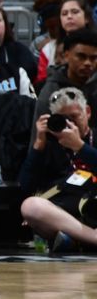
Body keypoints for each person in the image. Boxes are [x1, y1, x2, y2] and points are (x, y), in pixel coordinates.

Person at [20, 87, 97, 252]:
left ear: (88, 112)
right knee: (30, 206)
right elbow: (26, 186)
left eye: (74, 117)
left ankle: (75, 240)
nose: (70, 124)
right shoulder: (49, 146)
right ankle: (91, 239)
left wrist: (80, 147)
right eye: (63, 119)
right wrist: (38, 146)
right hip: (65, 214)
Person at [32, 30, 97, 143]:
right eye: (81, 56)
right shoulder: (50, 91)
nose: (88, 63)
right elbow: (38, 140)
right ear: (66, 55)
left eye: (93, 58)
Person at [37, 0, 95, 83]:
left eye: (75, 12)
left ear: (86, 18)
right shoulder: (48, 49)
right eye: (64, 14)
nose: (69, 16)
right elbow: (41, 81)